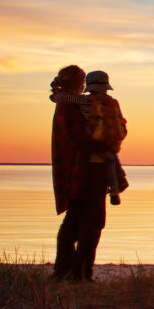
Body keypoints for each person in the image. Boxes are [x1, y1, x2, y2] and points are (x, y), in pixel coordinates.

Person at [49, 64, 111, 281]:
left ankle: (72, 271)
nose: (84, 86)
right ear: (79, 83)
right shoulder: (69, 105)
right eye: (82, 81)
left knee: (78, 221)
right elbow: (79, 139)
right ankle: (77, 272)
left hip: (83, 169)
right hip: (83, 170)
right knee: (89, 222)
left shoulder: (73, 103)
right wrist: (104, 145)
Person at [83, 70, 128, 205]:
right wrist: (115, 141)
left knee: (110, 159)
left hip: (93, 151)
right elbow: (122, 125)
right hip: (106, 146)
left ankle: (116, 188)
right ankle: (116, 187)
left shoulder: (84, 101)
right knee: (111, 158)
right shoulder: (114, 102)